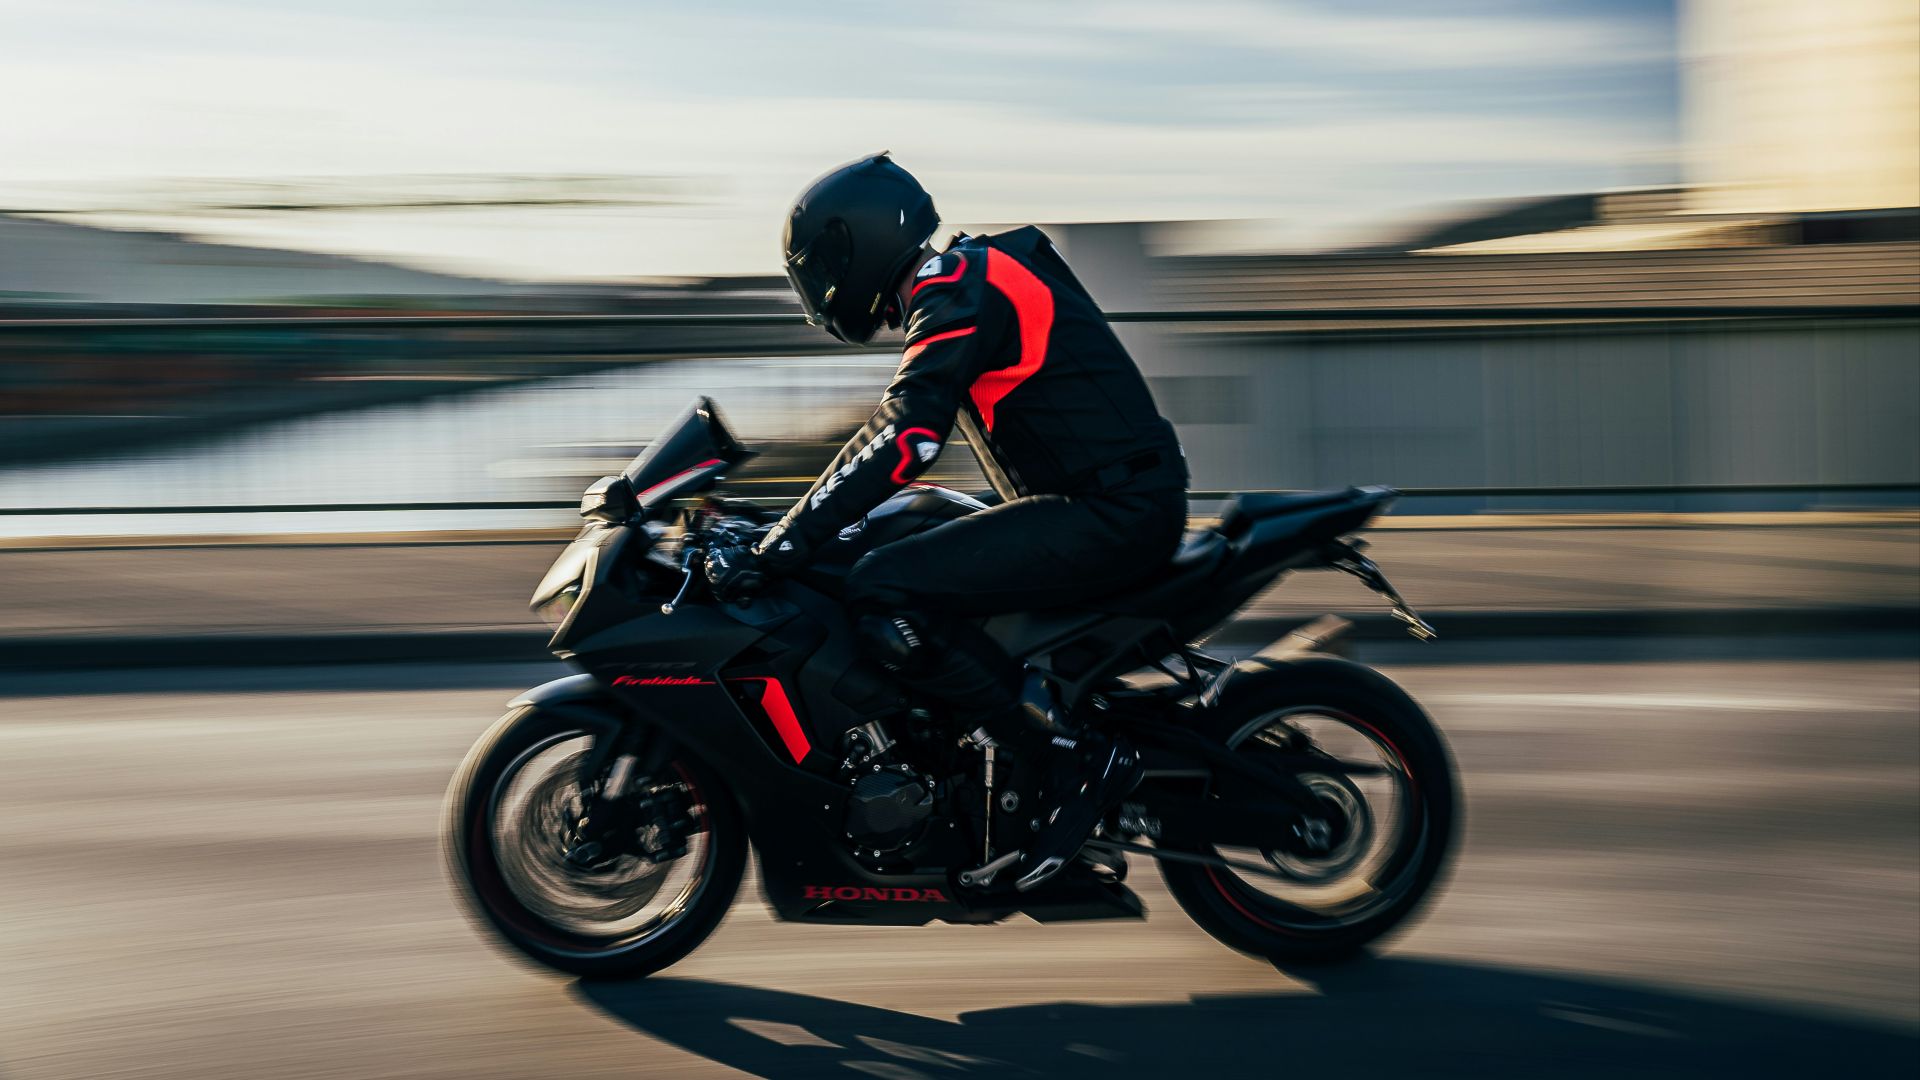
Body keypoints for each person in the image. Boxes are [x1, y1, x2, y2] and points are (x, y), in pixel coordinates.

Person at [704, 153, 1188, 892]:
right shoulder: (970, 276)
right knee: (905, 539)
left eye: (823, 264)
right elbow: (903, 440)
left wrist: (785, 542)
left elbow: (907, 435)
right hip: (1097, 502)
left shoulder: (957, 284)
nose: (821, 286)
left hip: (1110, 512)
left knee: (885, 587)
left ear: (857, 245)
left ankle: (1066, 754)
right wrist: (777, 523)